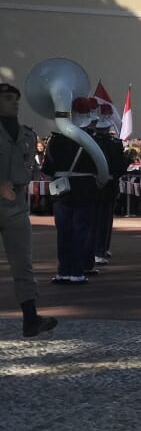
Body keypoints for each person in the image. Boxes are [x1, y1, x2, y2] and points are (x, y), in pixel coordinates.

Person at [0, 83, 58, 338]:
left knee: (23, 266)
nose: (15, 102)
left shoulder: (26, 134)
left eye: (16, 99)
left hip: (16, 207)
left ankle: (31, 319)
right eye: (9, 98)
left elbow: (30, 168)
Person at [42, 97, 99, 285]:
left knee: (63, 231)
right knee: (81, 231)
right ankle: (77, 270)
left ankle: (63, 271)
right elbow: (102, 167)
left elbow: (48, 168)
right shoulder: (93, 139)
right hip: (85, 189)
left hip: (62, 188)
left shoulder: (56, 140)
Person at [91, 102, 128, 266]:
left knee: (94, 218)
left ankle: (96, 248)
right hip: (110, 184)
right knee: (105, 219)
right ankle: (101, 248)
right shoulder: (115, 144)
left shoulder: (90, 141)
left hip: (93, 183)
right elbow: (119, 168)